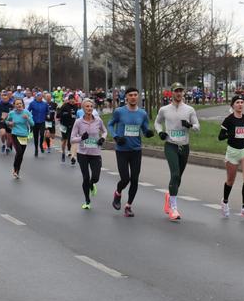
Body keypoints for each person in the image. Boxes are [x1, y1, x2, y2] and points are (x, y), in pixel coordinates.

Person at [154, 82, 200, 221]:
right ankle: (173, 208)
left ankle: (170, 195)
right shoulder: (164, 109)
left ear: (183, 93)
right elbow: (157, 122)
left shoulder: (190, 109)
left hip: (184, 146)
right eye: (176, 91)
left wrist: (190, 125)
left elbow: (198, 127)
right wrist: (160, 132)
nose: (179, 93)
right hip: (171, 145)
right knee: (174, 174)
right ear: (171, 93)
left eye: (181, 91)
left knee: (178, 177)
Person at [108, 87, 154, 217]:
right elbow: (110, 125)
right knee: (125, 179)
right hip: (122, 150)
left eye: (135, 95)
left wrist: (148, 133)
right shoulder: (119, 112)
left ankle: (128, 206)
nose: (133, 97)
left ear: (138, 97)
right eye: (131, 95)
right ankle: (118, 193)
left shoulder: (142, 113)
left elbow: (145, 129)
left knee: (134, 179)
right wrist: (116, 137)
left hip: (136, 150)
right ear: (126, 97)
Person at [218, 95, 244, 219]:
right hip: (232, 152)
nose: (240, 104)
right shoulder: (228, 120)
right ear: (233, 105)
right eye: (237, 102)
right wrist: (230, 134)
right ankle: (225, 202)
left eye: (242, 102)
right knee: (230, 181)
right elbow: (220, 136)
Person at [70, 99, 108, 209]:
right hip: (83, 154)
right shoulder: (78, 122)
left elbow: (105, 131)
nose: (89, 108)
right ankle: (87, 200)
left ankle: (92, 184)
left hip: (95, 153)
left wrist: (102, 138)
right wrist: (81, 138)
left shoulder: (98, 120)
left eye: (91, 106)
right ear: (83, 108)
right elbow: (72, 139)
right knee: (85, 178)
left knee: (95, 177)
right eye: (87, 106)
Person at [6, 98, 34, 179]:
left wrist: (27, 118)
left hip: (24, 135)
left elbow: (32, 124)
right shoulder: (11, 113)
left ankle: (18, 170)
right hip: (15, 134)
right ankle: (15, 169)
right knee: (19, 151)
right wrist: (10, 123)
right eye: (17, 104)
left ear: (23, 104)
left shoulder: (27, 112)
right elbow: (6, 122)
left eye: (20, 103)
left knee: (21, 154)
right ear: (14, 105)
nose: (19, 105)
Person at [58, 94, 78, 165]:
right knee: (64, 140)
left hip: (72, 125)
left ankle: (70, 151)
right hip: (64, 125)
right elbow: (58, 115)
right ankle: (63, 152)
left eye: (73, 100)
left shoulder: (76, 106)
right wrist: (67, 114)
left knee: (71, 139)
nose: (72, 101)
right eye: (71, 100)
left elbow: (77, 114)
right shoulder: (64, 106)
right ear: (69, 100)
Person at [28, 92, 49, 157]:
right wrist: (29, 117)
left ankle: (41, 145)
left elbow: (47, 111)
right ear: (36, 97)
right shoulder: (32, 103)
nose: (40, 98)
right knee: (36, 136)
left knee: (42, 134)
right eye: (39, 96)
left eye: (41, 96)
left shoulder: (45, 104)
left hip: (42, 121)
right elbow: (28, 111)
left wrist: (48, 115)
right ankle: (36, 149)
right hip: (35, 122)